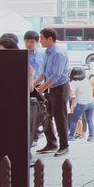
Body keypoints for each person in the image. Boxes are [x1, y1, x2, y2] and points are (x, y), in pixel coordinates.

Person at [33, 27, 71, 157]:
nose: (40, 40)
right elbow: (44, 73)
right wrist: (32, 85)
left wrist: (41, 89)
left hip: (60, 87)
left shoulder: (58, 53)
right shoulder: (47, 52)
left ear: (50, 39)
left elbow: (56, 76)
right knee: (45, 116)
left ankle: (64, 145)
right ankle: (51, 143)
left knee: (60, 117)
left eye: (41, 38)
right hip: (50, 87)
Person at [68, 67, 94, 143]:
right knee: (89, 120)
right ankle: (91, 137)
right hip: (90, 102)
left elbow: (71, 93)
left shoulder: (74, 82)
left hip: (81, 103)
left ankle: (71, 136)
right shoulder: (87, 80)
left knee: (74, 120)